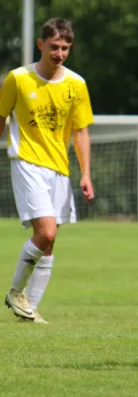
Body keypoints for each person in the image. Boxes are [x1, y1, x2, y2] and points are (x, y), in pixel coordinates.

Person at [0, 18, 94, 324]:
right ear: (40, 44)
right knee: (46, 232)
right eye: (54, 46)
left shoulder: (76, 84)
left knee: (50, 241)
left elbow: (80, 132)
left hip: (59, 168)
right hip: (26, 161)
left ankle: (30, 310)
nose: (60, 53)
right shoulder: (18, 78)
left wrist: (86, 173)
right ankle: (16, 292)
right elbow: (1, 118)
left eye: (65, 47)